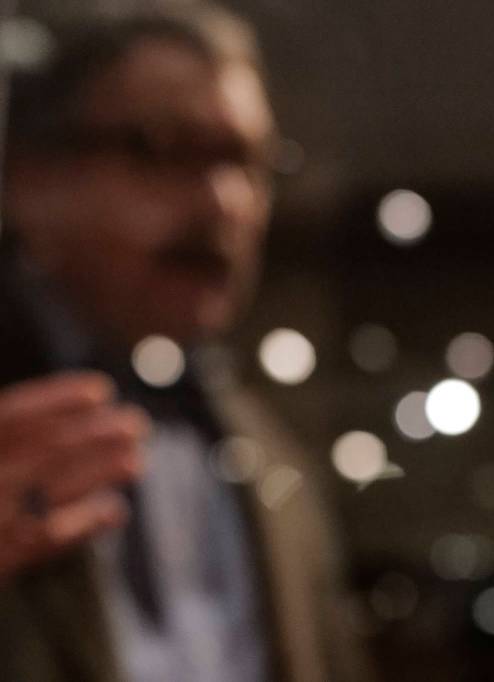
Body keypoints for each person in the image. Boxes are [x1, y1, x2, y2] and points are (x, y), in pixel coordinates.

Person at [0, 5, 369, 681]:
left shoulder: (273, 455)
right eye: (162, 149)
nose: (226, 201)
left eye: (249, 161)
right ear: (32, 180)